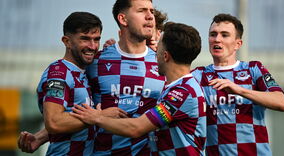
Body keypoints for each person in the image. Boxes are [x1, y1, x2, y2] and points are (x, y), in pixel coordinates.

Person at [71, 22, 207, 155]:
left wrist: (96, 117)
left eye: (157, 49)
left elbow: (136, 128)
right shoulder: (179, 87)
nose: (154, 54)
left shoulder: (182, 93)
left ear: (165, 56)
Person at [17, 12, 126, 155]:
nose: (92, 46)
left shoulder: (84, 72)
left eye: (96, 39)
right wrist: (101, 116)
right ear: (67, 41)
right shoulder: (59, 73)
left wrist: (41, 136)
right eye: (85, 39)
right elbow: (55, 122)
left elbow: (70, 119)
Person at [191, 13, 284, 155]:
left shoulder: (253, 69)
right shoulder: (199, 75)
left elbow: (282, 103)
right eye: (213, 34)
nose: (217, 39)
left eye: (224, 35)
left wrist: (239, 90)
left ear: (238, 43)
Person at [84, 0, 166, 155]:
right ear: (123, 19)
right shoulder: (96, 62)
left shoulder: (164, 63)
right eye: (142, 11)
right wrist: (42, 136)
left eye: (151, 11)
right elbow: (77, 111)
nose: (150, 16)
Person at [103, 8, 168, 51]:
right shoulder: (114, 52)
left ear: (158, 34)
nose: (143, 38)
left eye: (148, 28)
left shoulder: (165, 58)